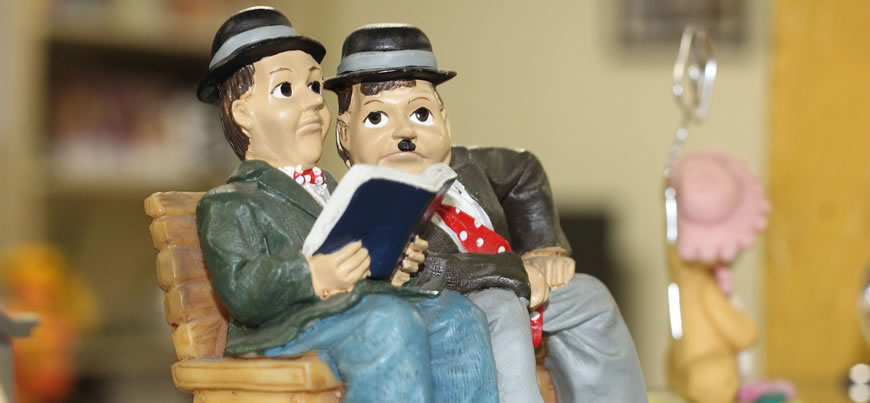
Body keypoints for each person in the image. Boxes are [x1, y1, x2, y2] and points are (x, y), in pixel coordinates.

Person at [326, 24, 648, 403]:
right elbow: (427, 270)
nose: (405, 133)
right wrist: (514, 272)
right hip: (446, 304)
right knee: (502, 310)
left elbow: (525, 171)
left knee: (591, 298)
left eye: (422, 114)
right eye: (377, 119)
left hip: (520, 286)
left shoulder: (468, 166)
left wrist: (542, 248)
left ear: (445, 120)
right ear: (345, 136)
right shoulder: (363, 205)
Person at [194, 8, 498, 402]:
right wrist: (313, 275)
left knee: (459, 316)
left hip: (349, 309)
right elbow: (242, 290)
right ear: (243, 112)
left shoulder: (340, 188)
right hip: (284, 327)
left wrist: (390, 263)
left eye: (314, 86)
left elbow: (356, 260)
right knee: (388, 324)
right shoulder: (230, 203)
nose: (312, 103)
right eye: (286, 89)